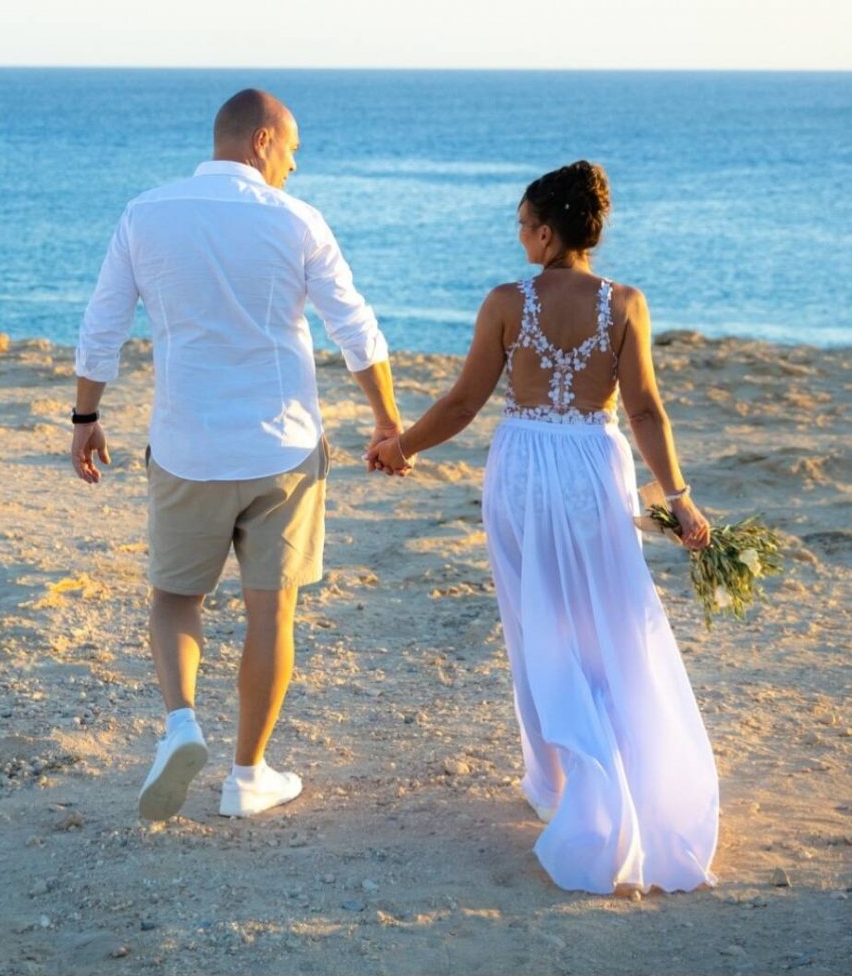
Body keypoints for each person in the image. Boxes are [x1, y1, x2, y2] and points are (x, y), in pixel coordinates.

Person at [369, 161, 719, 895]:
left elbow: (463, 403)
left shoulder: (506, 302)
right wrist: (679, 497)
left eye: (524, 224)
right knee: (608, 620)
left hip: (523, 469)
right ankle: (619, 773)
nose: (519, 235)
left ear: (548, 233)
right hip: (594, 466)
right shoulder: (626, 303)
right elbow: (644, 410)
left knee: (536, 622)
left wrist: (402, 447)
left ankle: (559, 783)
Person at [71, 89, 405, 821]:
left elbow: (102, 326)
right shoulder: (296, 220)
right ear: (261, 140)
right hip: (282, 449)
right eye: (291, 149)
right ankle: (247, 776)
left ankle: (181, 724)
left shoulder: (145, 214)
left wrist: (86, 416)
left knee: (174, 599)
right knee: (271, 611)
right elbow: (355, 327)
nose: (293, 165)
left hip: (186, 446)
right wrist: (386, 421)